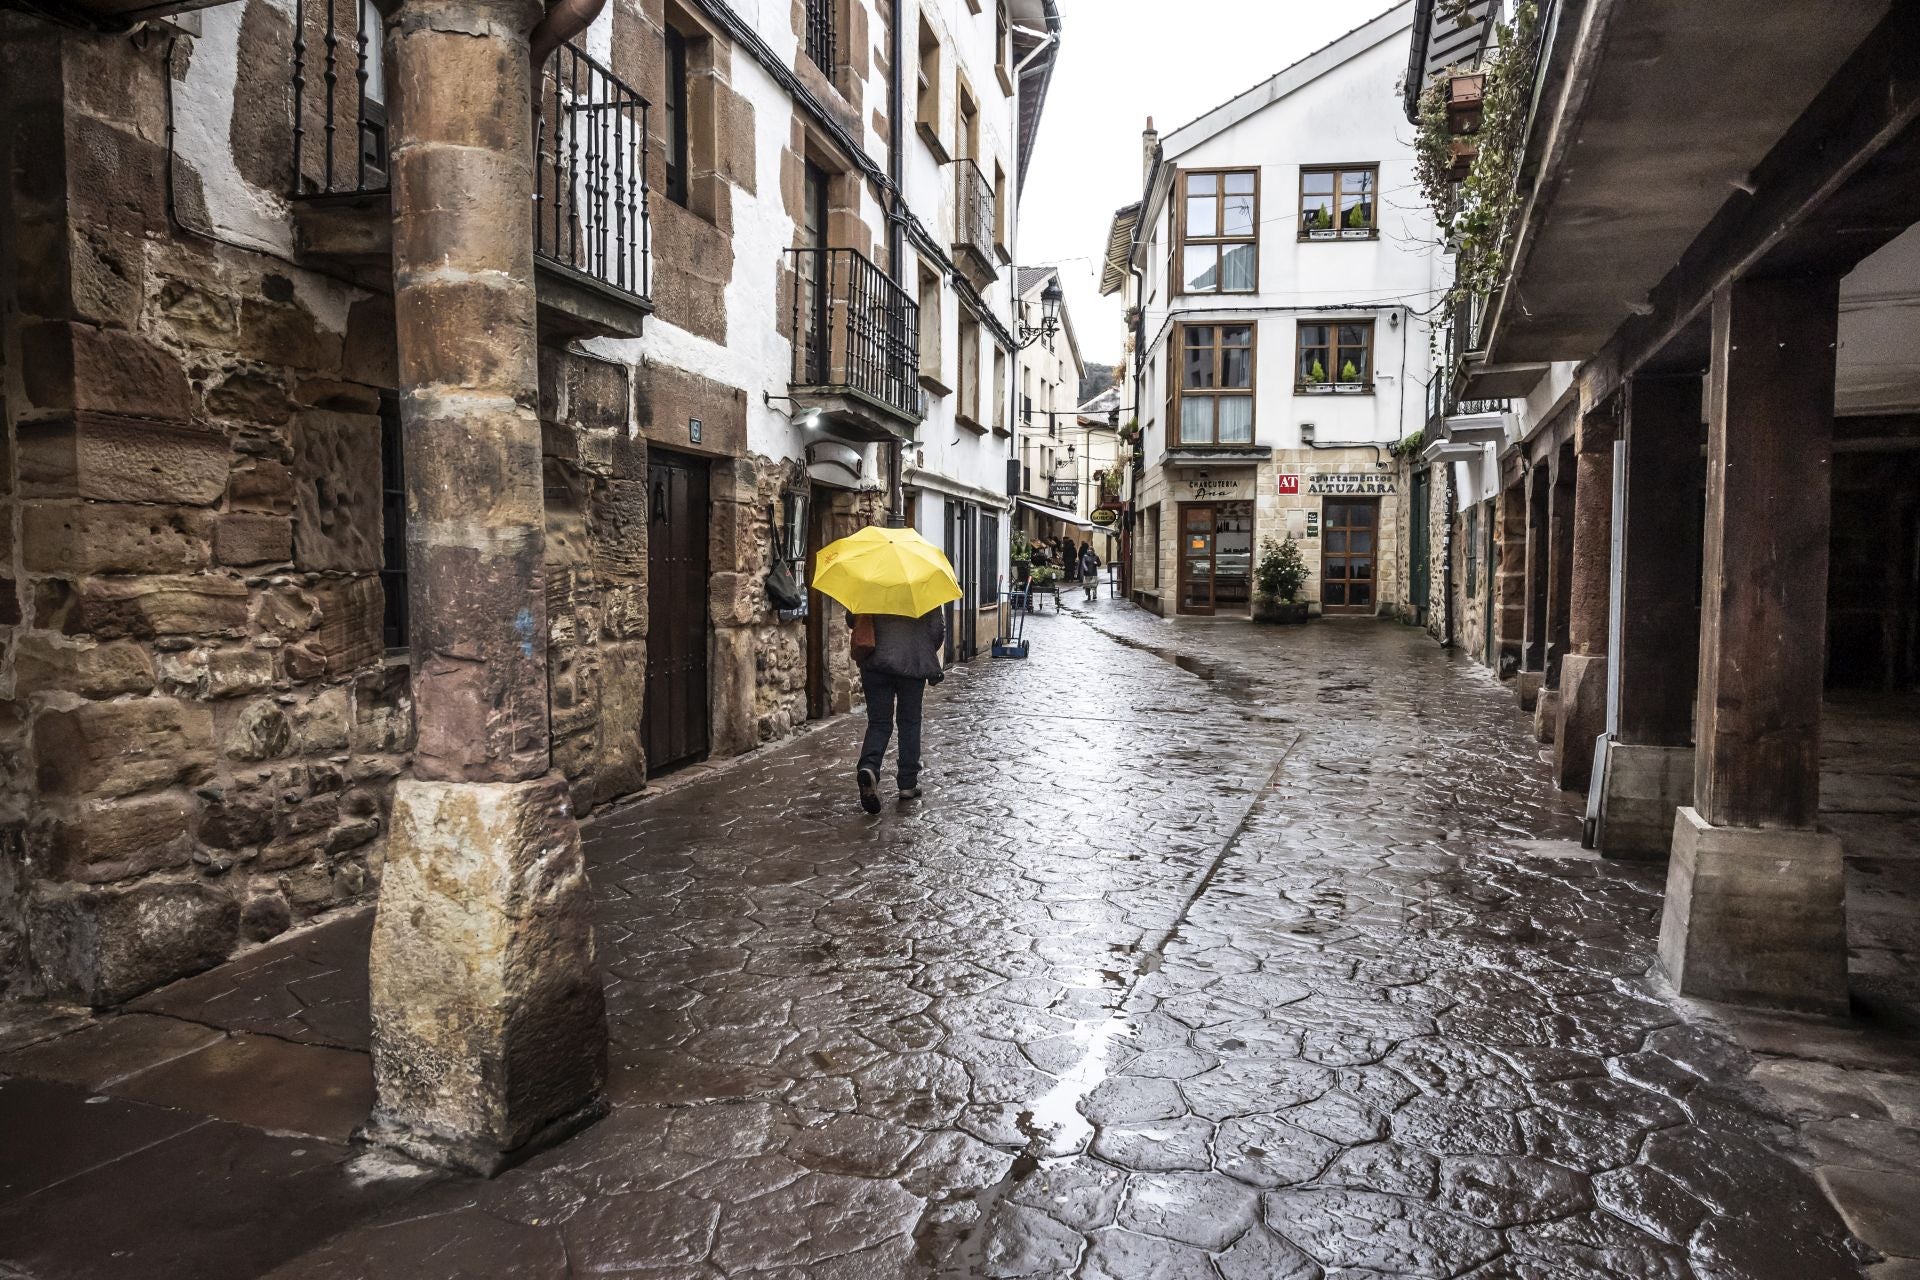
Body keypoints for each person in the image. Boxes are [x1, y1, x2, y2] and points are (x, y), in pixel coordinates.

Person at [849, 607, 946, 813]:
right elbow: (937, 631)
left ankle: (869, 767)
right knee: (909, 722)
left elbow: (852, 619)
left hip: (875, 662)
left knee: (878, 722)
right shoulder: (923, 583)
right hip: (912, 662)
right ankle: (908, 784)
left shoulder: (870, 580)